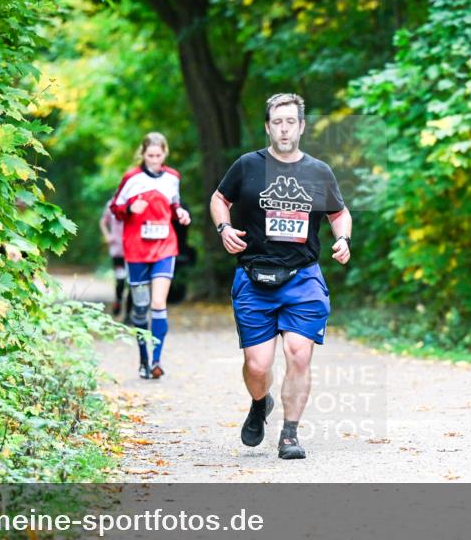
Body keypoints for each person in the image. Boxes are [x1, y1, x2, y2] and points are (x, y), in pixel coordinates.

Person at [209, 93, 352, 460]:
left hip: (303, 277)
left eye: (291, 121)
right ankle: (260, 403)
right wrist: (224, 228)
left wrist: (343, 239)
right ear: (268, 127)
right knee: (257, 366)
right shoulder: (247, 166)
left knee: (298, 354)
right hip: (254, 277)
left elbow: (339, 213)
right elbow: (219, 199)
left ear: (301, 126)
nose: (284, 128)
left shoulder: (318, 171)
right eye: (277, 122)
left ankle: (290, 434)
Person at [110, 132, 191, 379]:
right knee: (141, 308)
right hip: (136, 249)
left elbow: (174, 203)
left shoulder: (172, 177)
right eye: (150, 156)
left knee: (158, 303)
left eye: (159, 155)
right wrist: (129, 208)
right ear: (143, 155)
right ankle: (143, 358)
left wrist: (181, 213)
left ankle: (156, 360)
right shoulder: (131, 178)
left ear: (165, 153)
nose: (155, 160)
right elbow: (115, 207)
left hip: (165, 248)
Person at [98, 197, 126, 316]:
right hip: (117, 249)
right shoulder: (111, 204)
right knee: (120, 279)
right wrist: (107, 236)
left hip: (133, 250)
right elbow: (103, 221)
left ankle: (129, 314)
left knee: (134, 282)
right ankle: (118, 301)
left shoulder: (137, 204)